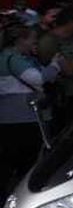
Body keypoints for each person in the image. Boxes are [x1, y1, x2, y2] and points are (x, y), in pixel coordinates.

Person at [0, 24, 60, 186]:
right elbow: (39, 79)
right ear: (21, 40)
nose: (35, 43)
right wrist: (55, 64)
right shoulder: (14, 59)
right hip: (22, 118)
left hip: (6, 119)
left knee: (7, 165)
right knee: (26, 164)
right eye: (32, 39)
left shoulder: (5, 57)